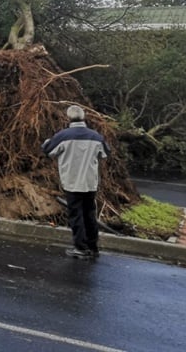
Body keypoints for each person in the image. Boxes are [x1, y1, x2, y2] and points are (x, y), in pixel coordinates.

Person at [42, 104, 109, 260]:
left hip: (72, 181)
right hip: (90, 182)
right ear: (83, 117)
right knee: (89, 214)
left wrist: (46, 142)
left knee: (76, 214)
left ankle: (80, 247)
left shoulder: (63, 136)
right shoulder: (96, 136)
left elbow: (48, 150)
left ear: (68, 118)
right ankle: (93, 247)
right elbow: (105, 153)